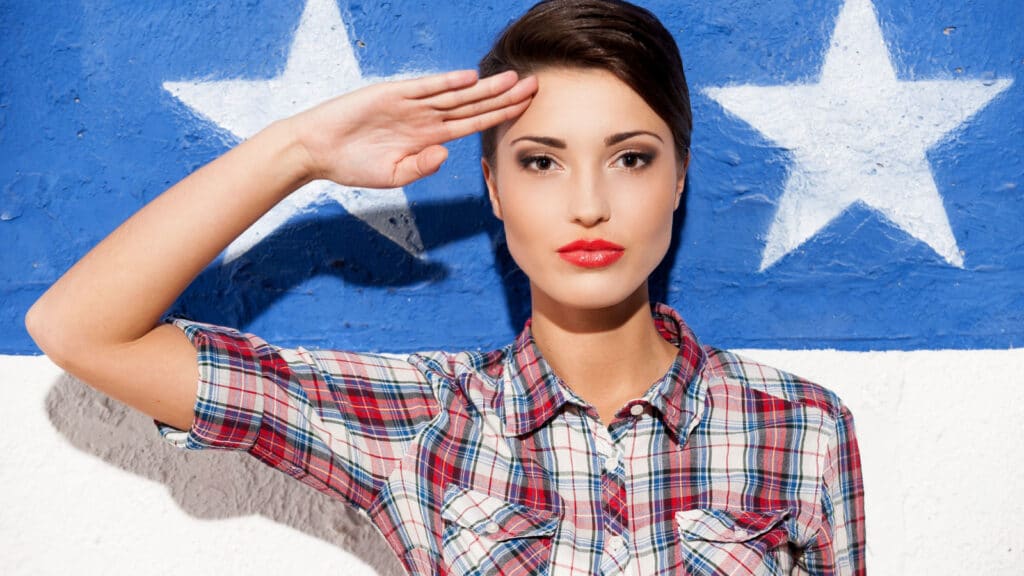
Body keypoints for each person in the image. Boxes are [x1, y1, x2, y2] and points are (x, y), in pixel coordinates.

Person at [25, 0, 865, 574]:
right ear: (495, 189)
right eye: (542, 161)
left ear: (679, 177)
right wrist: (299, 152)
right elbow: (81, 329)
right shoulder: (421, 423)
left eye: (631, 157)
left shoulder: (802, 428)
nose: (588, 204)